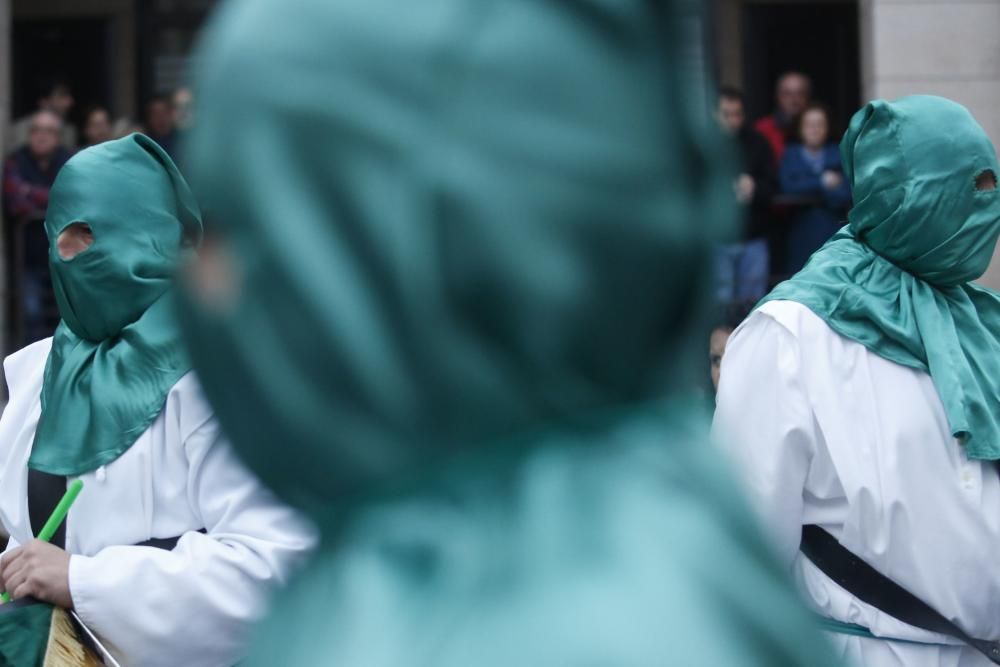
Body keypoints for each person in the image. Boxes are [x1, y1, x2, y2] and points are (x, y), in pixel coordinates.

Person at [179, 1, 842, 666]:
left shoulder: (487, 626)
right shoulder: (645, 535)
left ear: (383, 256)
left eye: (234, 228)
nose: (200, 279)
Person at [0, 134, 315, 667]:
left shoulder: (223, 373)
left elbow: (274, 566)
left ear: (149, 235)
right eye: (61, 237)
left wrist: (85, 580)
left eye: (89, 236)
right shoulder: (33, 372)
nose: (69, 256)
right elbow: (21, 535)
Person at [714, 95, 1000, 666]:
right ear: (911, 198)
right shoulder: (790, 336)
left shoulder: (981, 323)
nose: (989, 209)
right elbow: (741, 563)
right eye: (973, 189)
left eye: (992, 187)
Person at [3, 109, 73, 344]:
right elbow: (16, 202)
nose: (41, 136)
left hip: (64, 259)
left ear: (58, 136)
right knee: (31, 316)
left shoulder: (69, 162)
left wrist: (31, 192)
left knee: (66, 319)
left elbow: (71, 198)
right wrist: (52, 196)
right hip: (28, 260)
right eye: (36, 130)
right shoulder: (16, 160)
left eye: (48, 131)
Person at [715, 86, 776, 303]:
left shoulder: (758, 142)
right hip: (717, 237)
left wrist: (754, 188)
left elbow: (772, 185)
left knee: (752, 305)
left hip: (753, 236)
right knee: (720, 307)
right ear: (715, 114)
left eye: (737, 114)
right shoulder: (705, 144)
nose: (732, 120)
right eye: (726, 114)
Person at [778, 104, 851, 274]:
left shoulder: (838, 152)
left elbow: (847, 192)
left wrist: (807, 186)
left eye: (820, 124)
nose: (815, 130)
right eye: (810, 125)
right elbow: (787, 187)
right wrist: (822, 183)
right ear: (800, 128)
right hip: (800, 232)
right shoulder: (791, 154)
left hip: (831, 231)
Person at [755, 72, 811, 164]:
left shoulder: (818, 128)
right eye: (787, 94)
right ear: (778, 97)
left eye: (800, 93)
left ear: (807, 97)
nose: (794, 99)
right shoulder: (762, 129)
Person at [8, 80, 77, 150]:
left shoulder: (69, 130)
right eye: (62, 96)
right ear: (44, 101)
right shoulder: (21, 129)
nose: (69, 102)